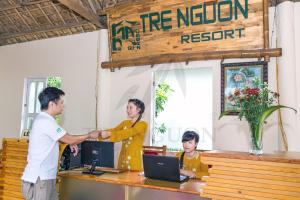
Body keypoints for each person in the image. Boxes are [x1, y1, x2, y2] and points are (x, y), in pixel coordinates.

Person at [21, 87, 100, 200]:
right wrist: (89, 135)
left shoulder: (45, 120)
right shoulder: (46, 121)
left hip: (45, 178)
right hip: (40, 179)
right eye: (61, 102)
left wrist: (68, 142)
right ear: (52, 104)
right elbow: (69, 138)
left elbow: (61, 136)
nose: (63, 106)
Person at [100, 99, 148, 171]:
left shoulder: (142, 124)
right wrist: (100, 134)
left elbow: (127, 133)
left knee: (133, 181)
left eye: (130, 107)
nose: (128, 110)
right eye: (127, 107)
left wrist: (109, 134)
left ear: (138, 110)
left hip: (134, 160)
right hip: (123, 158)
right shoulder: (125, 123)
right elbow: (114, 130)